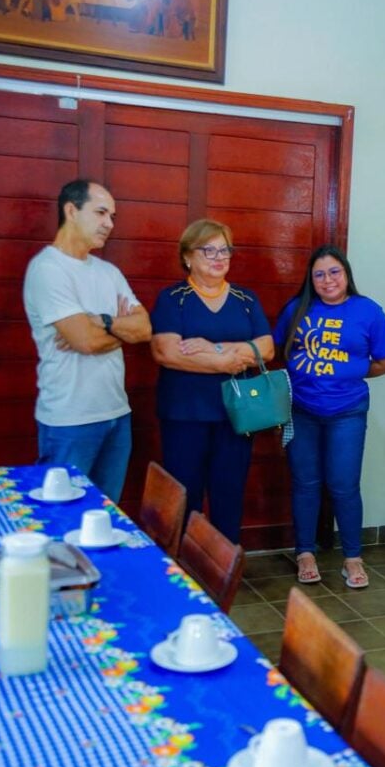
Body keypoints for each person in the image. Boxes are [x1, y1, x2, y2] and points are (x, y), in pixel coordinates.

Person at [273, 245, 385, 588]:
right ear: (311, 280)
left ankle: (353, 559)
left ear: (346, 275)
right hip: (300, 410)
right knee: (306, 484)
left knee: (344, 486)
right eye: (319, 274)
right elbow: (277, 350)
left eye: (334, 272)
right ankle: (305, 553)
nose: (327, 280)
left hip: (348, 412)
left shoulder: (368, 311)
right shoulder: (296, 310)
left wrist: (350, 373)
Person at [23, 179, 151, 502]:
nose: (109, 224)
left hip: (116, 415)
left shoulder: (109, 272)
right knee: (62, 519)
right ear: (71, 210)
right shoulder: (47, 270)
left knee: (105, 519)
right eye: (101, 213)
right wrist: (121, 330)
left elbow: (146, 328)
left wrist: (104, 321)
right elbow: (85, 342)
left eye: (113, 216)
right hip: (69, 421)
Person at [149, 219, 272, 543]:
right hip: (184, 416)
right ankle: (183, 574)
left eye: (225, 250)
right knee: (184, 496)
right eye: (209, 250)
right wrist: (229, 361)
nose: (219, 257)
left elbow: (267, 348)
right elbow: (167, 352)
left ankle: (221, 575)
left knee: (229, 496)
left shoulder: (246, 299)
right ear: (188, 256)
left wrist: (212, 347)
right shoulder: (173, 298)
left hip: (237, 416)